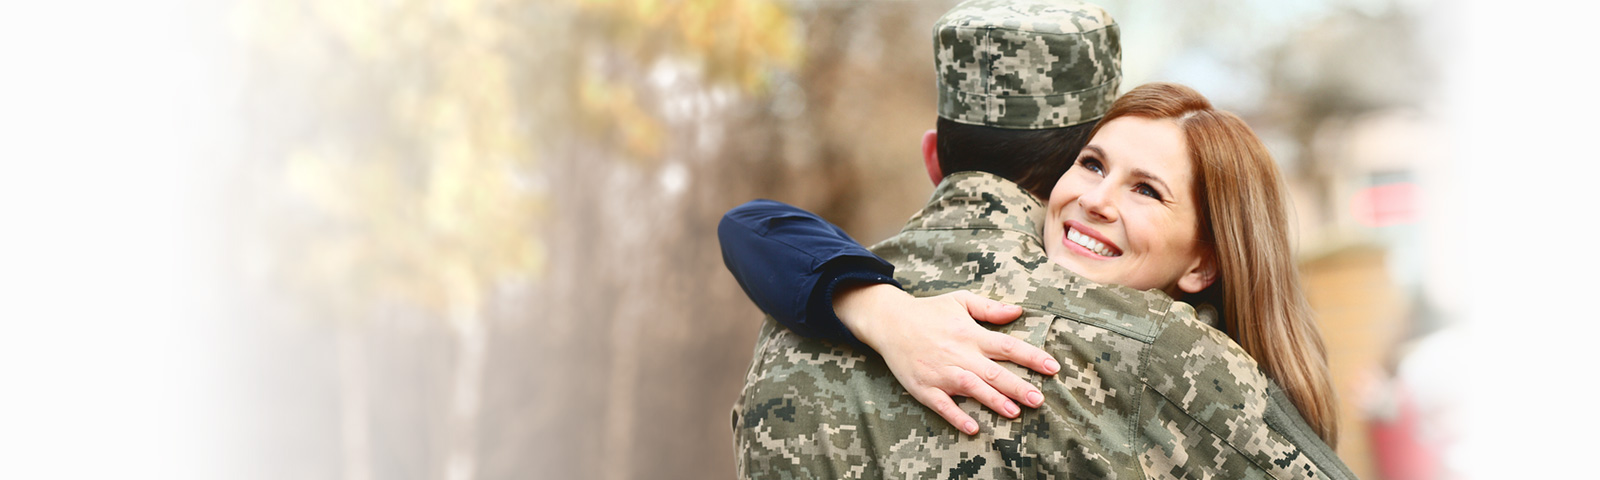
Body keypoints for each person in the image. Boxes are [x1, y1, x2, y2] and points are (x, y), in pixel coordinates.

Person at [724, 1, 1355, 479]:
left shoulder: (793, 325)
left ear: (932, 157)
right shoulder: (1160, 353)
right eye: (1093, 165)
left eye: (1147, 190)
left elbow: (746, 224)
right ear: (1058, 175)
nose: (1099, 200)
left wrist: (873, 305)